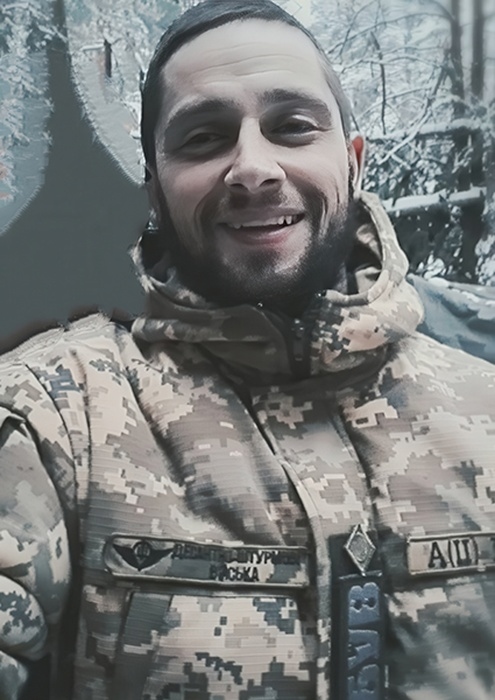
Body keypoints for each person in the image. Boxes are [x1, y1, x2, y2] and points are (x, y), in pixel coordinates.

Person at [0, 1, 494, 699]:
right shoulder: (52, 419)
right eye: (203, 138)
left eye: (292, 128)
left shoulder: (483, 401)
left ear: (353, 161)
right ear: (155, 188)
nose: (253, 168)